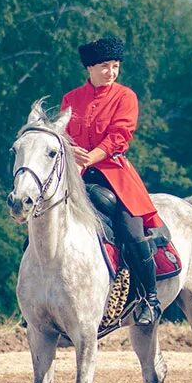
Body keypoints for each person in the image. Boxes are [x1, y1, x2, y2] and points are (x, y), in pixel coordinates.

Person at [61, 36, 163, 325]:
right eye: (105, 66)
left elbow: (120, 136)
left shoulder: (125, 97)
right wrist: (69, 149)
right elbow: (62, 134)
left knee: (132, 231)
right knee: (41, 223)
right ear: (90, 68)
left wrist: (89, 156)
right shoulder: (71, 99)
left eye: (115, 66)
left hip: (114, 175)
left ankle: (151, 300)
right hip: (76, 176)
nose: (111, 72)